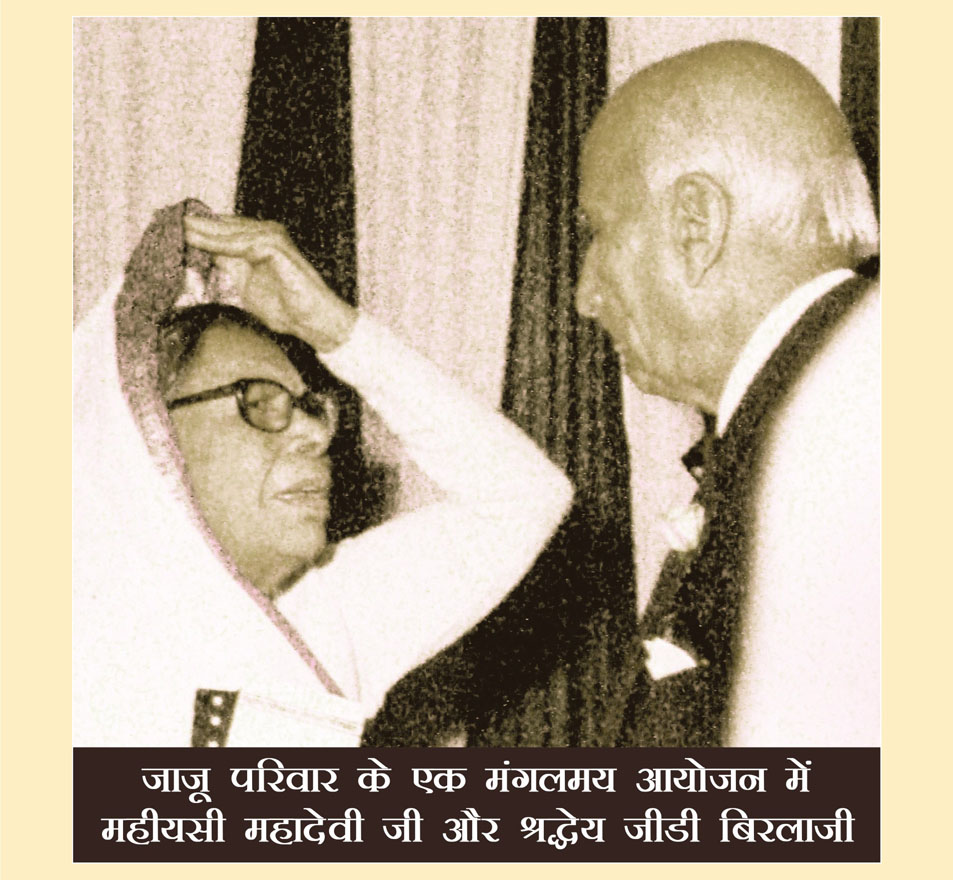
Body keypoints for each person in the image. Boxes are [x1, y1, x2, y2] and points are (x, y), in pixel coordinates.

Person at [73, 201, 572, 746]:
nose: (314, 433)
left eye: (310, 407)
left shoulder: (320, 614)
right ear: (147, 433)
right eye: (258, 401)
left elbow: (523, 496)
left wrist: (335, 331)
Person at [574, 41, 880, 746]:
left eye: (599, 231)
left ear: (696, 224)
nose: (585, 298)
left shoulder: (842, 438)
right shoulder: (811, 410)